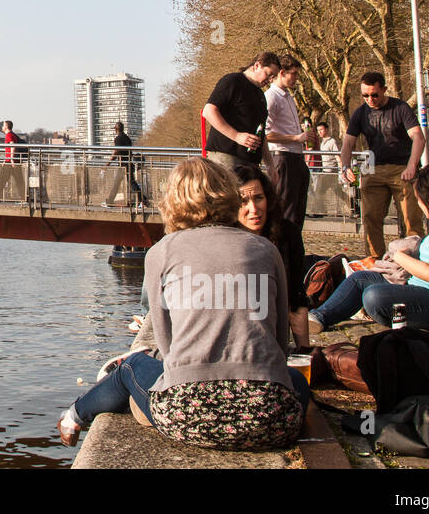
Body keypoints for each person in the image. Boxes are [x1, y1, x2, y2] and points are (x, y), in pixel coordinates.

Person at [57, 158, 308, 451]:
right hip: (270, 419)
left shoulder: (161, 252)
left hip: (187, 416)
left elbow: (166, 346)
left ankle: (74, 415)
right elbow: (278, 341)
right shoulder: (266, 249)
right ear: (228, 194)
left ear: (174, 201)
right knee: (295, 380)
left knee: (132, 366)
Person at [308, 165, 429, 334]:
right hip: (428, 290)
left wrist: (400, 256)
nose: (419, 205)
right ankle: (319, 317)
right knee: (360, 279)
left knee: (375, 297)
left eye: (418, 200)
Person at [338, 71, 426, 257]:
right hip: (373, 168)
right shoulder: (360, 113)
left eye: (374, 94)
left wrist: (412, 166)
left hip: (402, 169)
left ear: (384, 89)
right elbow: (347, 143)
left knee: (411, 220)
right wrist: (345, 168)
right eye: (365, 95)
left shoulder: (400, 107)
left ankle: (414, 260)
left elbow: (418, 137)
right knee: (370, 218)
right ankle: (374, 259)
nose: (370, 99)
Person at [234, 163, 309, 347]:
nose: (253, 208)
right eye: (243, 201)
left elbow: (296, 297)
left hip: (273, 341)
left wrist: (305, 352)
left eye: (259, 198)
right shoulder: (223, 238)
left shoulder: (287, 233)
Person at [202, 52, 281, 170]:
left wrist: (270, 166)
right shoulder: (233, 81)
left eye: (273, 77)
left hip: (251, 163)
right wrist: (237, 136)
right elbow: (208, 111)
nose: (270, 80)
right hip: (226, 157)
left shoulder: (260, 94)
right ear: (257, 65)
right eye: (269, 74)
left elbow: (261, 133)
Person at [264, 55, 310, 232]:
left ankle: (295, 253)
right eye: (294, 74)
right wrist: (295, 138)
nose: (296, 78)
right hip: (283, 157)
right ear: (282, 73)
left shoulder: (288, 97)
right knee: (286, 212)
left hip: (296, 158)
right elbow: (265, 134)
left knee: (298, 212)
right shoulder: (271, 97)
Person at [106, 121, 142, 207]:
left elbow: (116, 152)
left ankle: (110, 201)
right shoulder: (127, 138)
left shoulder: (118, 138)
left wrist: (107, 164)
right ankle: (143, 200)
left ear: (116, 129)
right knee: (129, 183)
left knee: (122, 183)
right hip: (128, 163)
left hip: (123, 165)